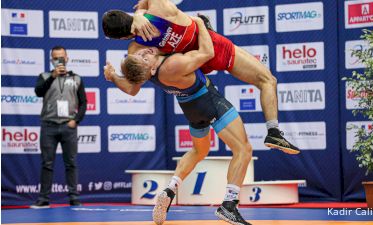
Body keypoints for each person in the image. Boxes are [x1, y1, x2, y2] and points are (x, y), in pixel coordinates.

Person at [104, 17, 252, 225]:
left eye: (141, 53)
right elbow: (208, 53)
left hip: (190, 108)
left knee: (199, 151)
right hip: (209, 101)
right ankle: (229, 205)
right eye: (143, 57)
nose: (144, 51)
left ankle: (170, 188)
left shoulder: (146, 70)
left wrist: (113, 77)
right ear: (150, 70)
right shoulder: (172, 64)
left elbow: (131, 88)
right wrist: (199, 23)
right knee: (243, 149)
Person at [102, 0, 300, 154]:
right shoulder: (160, 7)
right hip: (209, 46)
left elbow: (132, 88)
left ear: (121, 38)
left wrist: (113, 76)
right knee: (267, 80)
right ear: (126, 15)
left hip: (191, 65)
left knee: (201, 146)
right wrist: (138, 12)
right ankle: (273, 132)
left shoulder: (136, 49)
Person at [31, 46, 87, 208]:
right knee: (47, 164)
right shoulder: (44, 76)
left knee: (71, 163)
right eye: (56, 58)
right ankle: (43, 199)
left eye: (61, 57)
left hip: (68, 127)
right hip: (49, 126)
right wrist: (53, 77)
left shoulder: (76, 78)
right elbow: (38, 92)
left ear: (67, 58)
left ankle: (74, 198)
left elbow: (83, 102)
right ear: (51, 59)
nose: (59, 60)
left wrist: (76, 120)